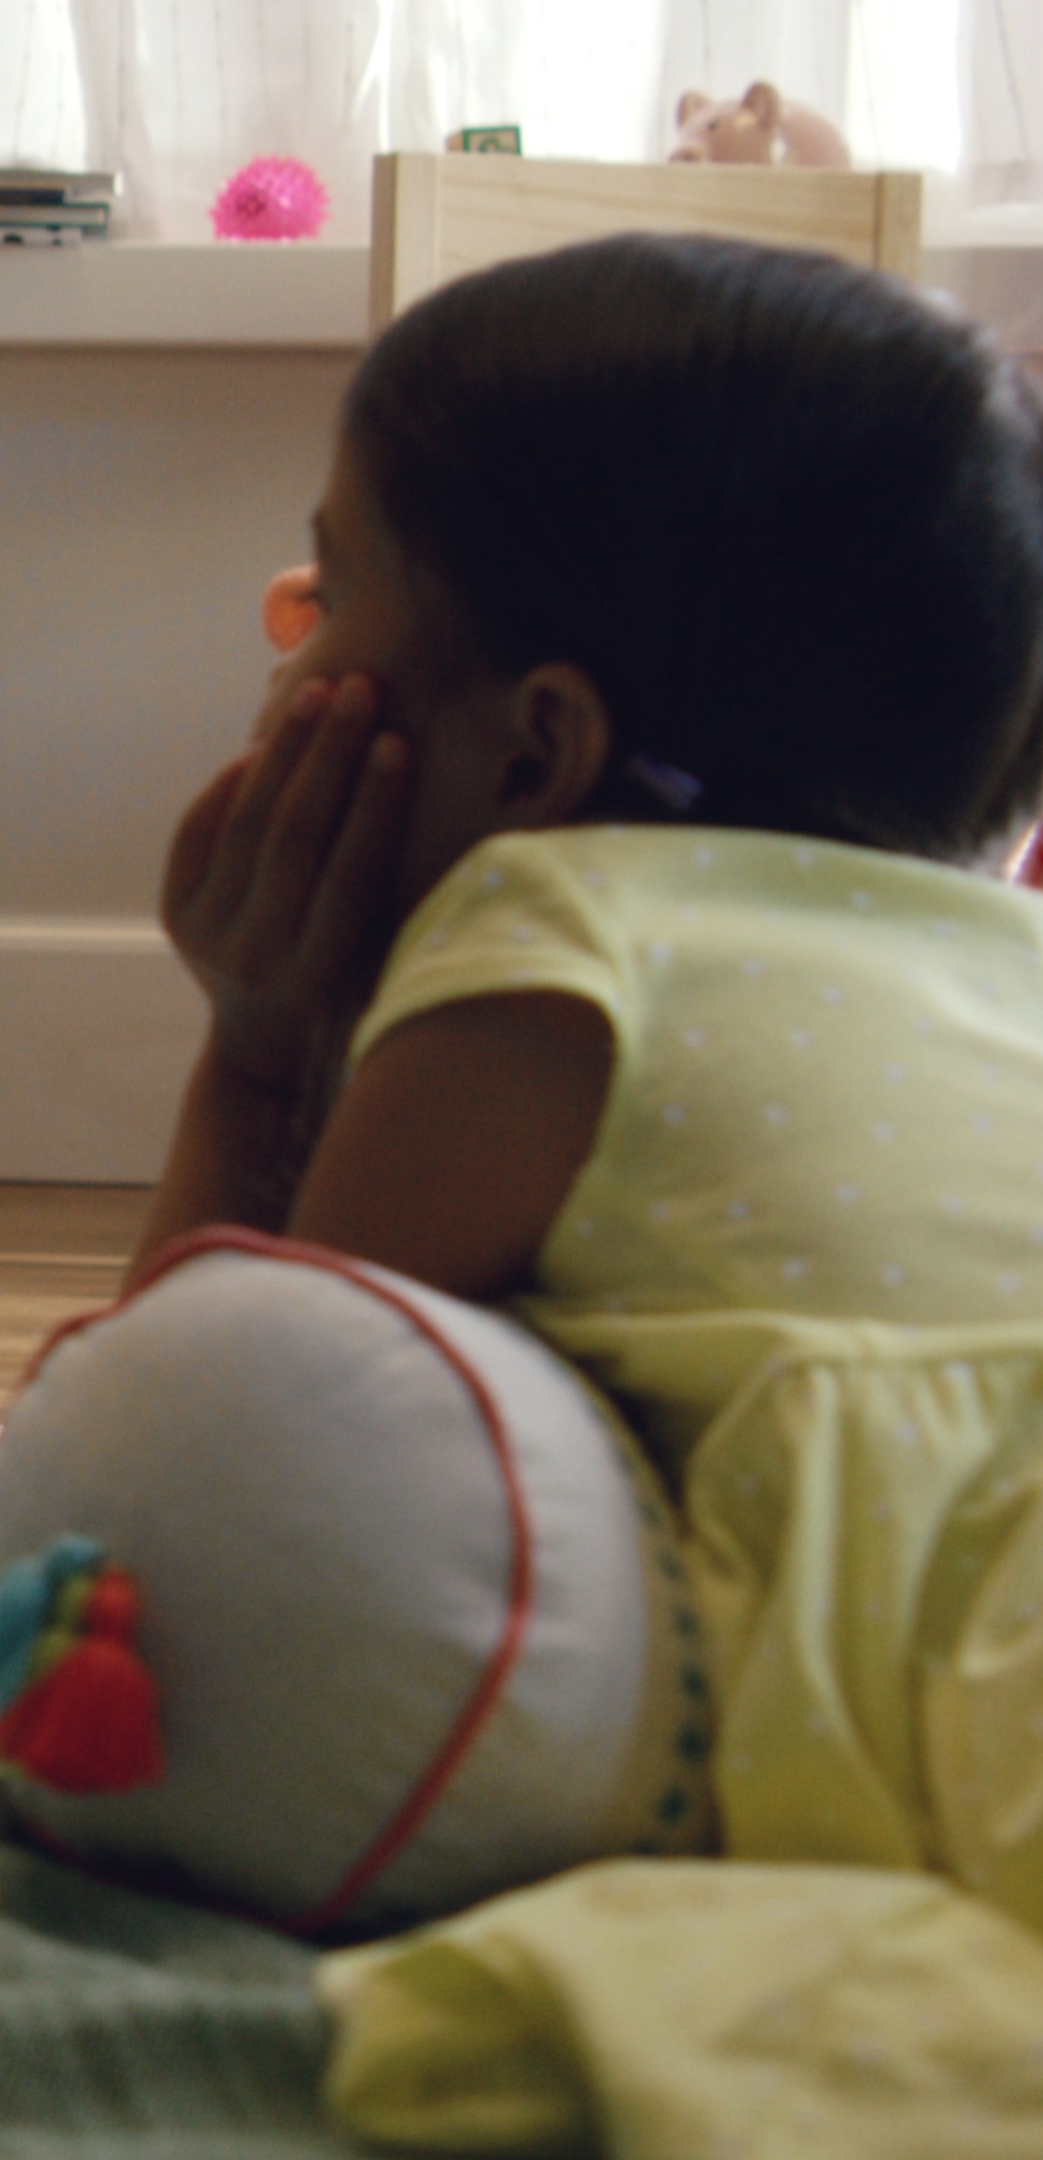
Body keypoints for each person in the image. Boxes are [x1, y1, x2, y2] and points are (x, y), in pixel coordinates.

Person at [129, 232, 1043, 2136]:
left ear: (539, 746)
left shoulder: (553, 929)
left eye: (332, 592)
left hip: (950, 1636)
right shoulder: (1003, 954)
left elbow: (195, 1478)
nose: (289, 644)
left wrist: (255, 1046)